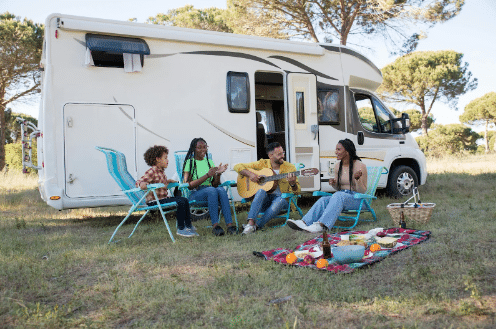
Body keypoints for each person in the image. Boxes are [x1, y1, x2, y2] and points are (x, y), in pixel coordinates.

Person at [287, 139, 367, 233]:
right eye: (336, 149)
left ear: (347, 151)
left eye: (338, 149)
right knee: (324, 199)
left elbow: (362, 191)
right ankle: (304, 222)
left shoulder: (360, 166)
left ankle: (321, 225)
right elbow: (339, 189)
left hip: (358, 199)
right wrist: (334, 184)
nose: (335, 152)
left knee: (338, 195)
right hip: (342, 197)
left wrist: (357, 180)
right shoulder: (338, 166)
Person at [234, 142, 300, 234]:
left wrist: (293, 184)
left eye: (283, 153)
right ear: (271, 155)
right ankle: (250, 223)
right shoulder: (262, 163)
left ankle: (256, 226)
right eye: (279, 154)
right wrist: (251, 174)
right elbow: (237, 166)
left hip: (281, 202)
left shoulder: (290, 167)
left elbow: (297, 192)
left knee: (281, 199)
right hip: (264, 202)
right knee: (261, 191)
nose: (283, 156)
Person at [136, 145, 198, 238]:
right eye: (165, 158)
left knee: (184, 200)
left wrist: (168, 181)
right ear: (157, 159)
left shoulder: (161, 172)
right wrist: (141, 184)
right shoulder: (152, 171)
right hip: (155, 201)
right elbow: (140, 181)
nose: (167, 160)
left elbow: (161, 184)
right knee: (180, 201)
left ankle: (188, 225)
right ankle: (181, 229)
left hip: (163, 199)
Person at [182, 138, 237, 236]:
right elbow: (188, 185)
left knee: (220, 189)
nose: (203, 150)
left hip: (211, 192)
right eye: (199, 148)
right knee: (212, 190)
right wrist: (207, 175)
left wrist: (218, 174)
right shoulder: (189, 163)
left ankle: (230, 226)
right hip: (195, 194)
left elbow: (215, 184)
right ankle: (215, 226)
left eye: (205, 147)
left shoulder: (209, 162)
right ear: (193, 149)